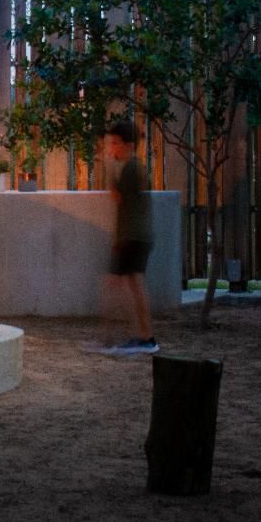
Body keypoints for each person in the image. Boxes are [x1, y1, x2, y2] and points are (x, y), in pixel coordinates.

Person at [101, 119, 158, 355]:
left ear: (127, 145)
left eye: (114, 143)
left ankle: (143, 338)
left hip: (133, 236)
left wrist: (108, 168)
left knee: (121, 285)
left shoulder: (132, 168)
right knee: (126, 285)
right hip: (134, 235)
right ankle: (141, 337)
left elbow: (118, 198)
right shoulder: (132, 166)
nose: (111, 148)